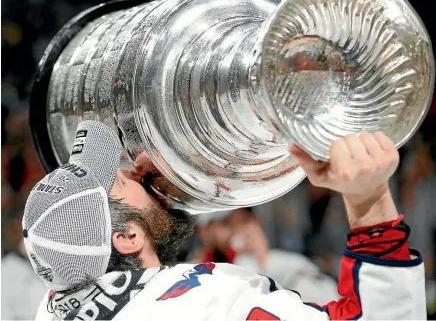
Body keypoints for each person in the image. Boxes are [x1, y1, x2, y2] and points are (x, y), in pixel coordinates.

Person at [23, 121, 424, 320]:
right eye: (119, 179)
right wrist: (370, 200)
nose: (133, 169)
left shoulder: (54, 307)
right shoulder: (206, 307)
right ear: (127, 237)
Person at [193, 208, 340, 305]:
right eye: (226, 223)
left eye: (246, 220)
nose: (238, 229)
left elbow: (324, 297)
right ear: (203, 231)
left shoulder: (285, 261)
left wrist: (264, 260)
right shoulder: (195, 268)